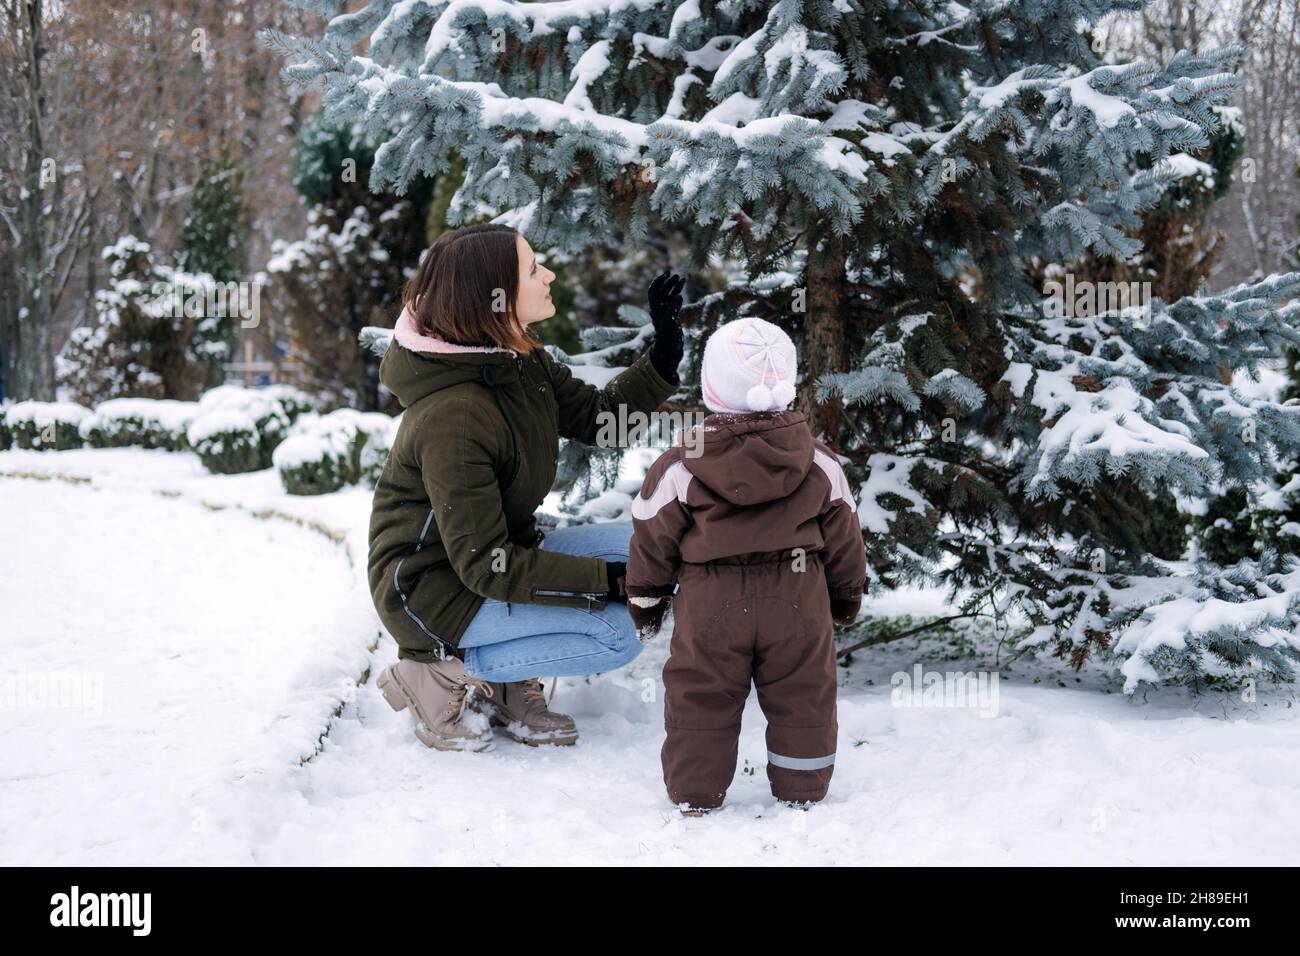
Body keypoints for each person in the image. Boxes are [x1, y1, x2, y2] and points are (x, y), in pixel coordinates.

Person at [367, 223, 685, 751]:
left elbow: (601, 419)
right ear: (493, 296)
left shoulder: (518, 362)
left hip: (492, 564)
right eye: (533, 269)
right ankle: (439, 673)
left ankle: (508, 680)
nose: (548, 275)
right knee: (618, 632)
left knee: (645, 545)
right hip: (435, 593)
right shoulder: (457, 416)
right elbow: (484, 563)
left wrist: (663, 357)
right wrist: (604, 582)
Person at [625, 316, 868, 813]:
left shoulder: (680, 463)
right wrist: (845, 593)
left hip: (710, 601)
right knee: (804, 687)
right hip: (798, 596)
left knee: (701, 688)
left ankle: (696, 790)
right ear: (787, 386)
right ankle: (803, 786)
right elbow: (844, 532)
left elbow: (653, 534)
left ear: (711, 390)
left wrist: (646, 597)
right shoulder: (820, 462)